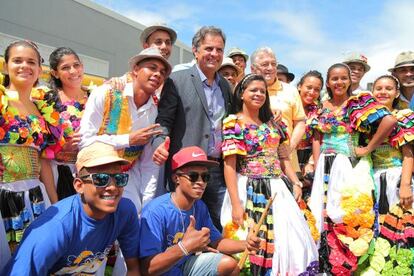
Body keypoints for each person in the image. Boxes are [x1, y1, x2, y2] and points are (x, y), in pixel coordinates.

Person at [220, 74, 318, 275]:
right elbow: (229, 166)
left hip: (279, 187)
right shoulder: (233, 123)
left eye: (262, 91)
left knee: (290, 239)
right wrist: (236, 204)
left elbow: (282, 157)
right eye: (253, 90)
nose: (258, 94)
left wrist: (295, 182)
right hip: (250, 189)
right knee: (258, 241)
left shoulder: (275, 123)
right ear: (241, 94)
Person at [308, 63, 397, 274]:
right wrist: (316, 162)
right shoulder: (321, 106)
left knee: (345, 212)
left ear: (350, 81)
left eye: (343, 78)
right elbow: (317, 138)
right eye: (334, 79)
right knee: (321, 212)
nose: (339, 82)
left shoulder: (357, 103)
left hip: (347, 165)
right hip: (324, 166)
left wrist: (367, 148)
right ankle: (325, 264)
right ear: (328, 83)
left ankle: (348, 264)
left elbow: (389, 120)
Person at [2, 142, 141, 275]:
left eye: (119, 178)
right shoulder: (53, 230)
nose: (112, 187)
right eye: (101, 179)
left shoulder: (125, 211)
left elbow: (134, 269)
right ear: (79, 185)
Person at [152, 26, 233, 231]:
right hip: (186, 170)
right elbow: (164, 121)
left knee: (215, 227)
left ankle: (211, 263)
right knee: (180, 227)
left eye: (219, 50)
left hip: (216, 171)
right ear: (195, 51)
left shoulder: (226, 87)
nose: (214, 54)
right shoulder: (177, 80)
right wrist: (160, 143)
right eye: (208, 48)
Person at [139, 146, 260, 276]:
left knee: (230, 266)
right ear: (176, 178)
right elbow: (147, 269)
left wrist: (246, 244)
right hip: (161, 271)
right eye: (193, 176)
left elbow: (216, 242)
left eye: (205, 177)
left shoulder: (199, 206)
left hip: (184, 266)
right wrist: (185, 247)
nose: (201, 182)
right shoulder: (155, 211)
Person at [79, 47, 171, 213]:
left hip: (127, 177)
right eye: (152, 67)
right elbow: (85, 141)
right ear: (135, 70)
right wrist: (128, 140)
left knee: (132, 215)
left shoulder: (155, 110)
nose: (158, 74)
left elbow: (148, 161)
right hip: (95, 178)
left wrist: (147, 201)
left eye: (162, 72)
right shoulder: (106, 93)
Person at [0, 40, 63, 270]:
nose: (24, 66)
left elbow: (43, 160)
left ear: (39, 70)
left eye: (31, 62)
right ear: (6, 66)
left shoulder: (43, 110)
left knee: (30, 261)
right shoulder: (1, 98)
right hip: (2, 194)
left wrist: (54, 204)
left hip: (34, 197)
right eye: (17, 61)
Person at [360, 75, 414, 274]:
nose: (383, 92)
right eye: (379, 88)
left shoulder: (403, 115)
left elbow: (409, 153)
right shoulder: (367, 120)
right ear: (372, 92)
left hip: (396, 176)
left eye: (388, 88)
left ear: (397, 93)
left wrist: (406, 185)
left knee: (400, 225)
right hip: (372, 178)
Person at [33, 47, 90, 200]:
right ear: (55, 73)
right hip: (58, 174)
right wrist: (62, 148)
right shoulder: (46, 100)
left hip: (91, 172)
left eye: (76, 65)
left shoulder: (96, 97)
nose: (73, 71)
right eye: (65, 67)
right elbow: (41, 148)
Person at [250, 47, 306, 175]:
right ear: (253, 69)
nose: (270, 68)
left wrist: (289, 147)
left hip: (288, 164)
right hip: (256, 164)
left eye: (273, 64)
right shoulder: (245, 90)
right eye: (265, 64)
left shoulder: (290, 90)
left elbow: (300, 122)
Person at [296, 71, 323, 197]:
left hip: (308, 159)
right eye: (309, 87)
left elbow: (319, 139)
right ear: (299, 86)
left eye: (317, 89)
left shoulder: (319, 111)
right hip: (288, 157)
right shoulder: (288, 106)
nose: (312, 92)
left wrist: (312, 164)